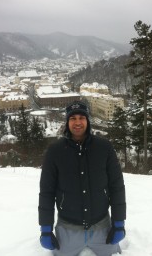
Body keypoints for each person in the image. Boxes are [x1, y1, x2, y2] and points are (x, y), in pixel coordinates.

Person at [38, 100, 126, 256]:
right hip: (68, 229)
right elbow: (47, 192)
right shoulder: (55, 151)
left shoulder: (104, 148)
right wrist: (46, 229)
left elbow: (116, 186)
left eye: (81, 118)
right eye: (73, 118)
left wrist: (118, 223)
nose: (77, 122)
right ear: (67, 122)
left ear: (87, 121)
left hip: (102, 227)